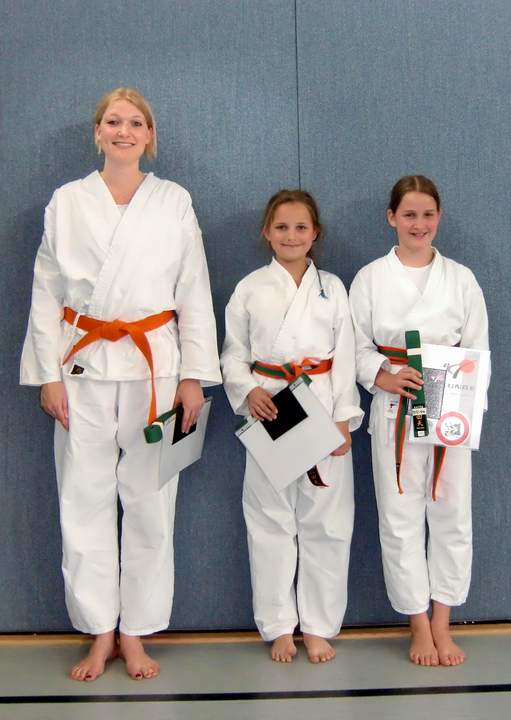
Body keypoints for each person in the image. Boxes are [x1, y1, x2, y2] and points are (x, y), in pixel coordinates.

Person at [20, 87, 221, 681]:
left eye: (136, 123)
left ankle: (135, 631)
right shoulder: (67, 201)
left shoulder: (173, 200)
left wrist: (194, 376)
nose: (124, 131)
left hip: (155, 367)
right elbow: (45, 292)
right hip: (81, 365)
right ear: (98, 132)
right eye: (114, 121)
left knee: (151, 503)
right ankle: (99, 631)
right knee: (82, 499)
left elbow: (194, 288)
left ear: (150, 135)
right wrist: (47, 375)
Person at [349, 175, 489, 667]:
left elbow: (478, 347)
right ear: (391, 218)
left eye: (428, 214)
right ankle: (418, 623)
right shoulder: (370, 278)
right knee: (399, 517)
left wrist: (464, 398)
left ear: (439, 218)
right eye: (409, 214)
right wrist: (381, 375)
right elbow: (354, 345)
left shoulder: (461, 279)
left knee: (452, 513)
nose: (419, 224)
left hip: (450, 401)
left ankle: (444, 620)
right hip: (396, 403)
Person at [221, 189, 363, 663]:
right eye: (281, 227)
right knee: (270, 521)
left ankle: (319, 625)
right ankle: (279, 625)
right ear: (267, 232)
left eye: (301, 227)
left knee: (328, 522)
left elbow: (345, 357)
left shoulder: (333, 288)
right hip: (272, 409)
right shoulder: (249, 288)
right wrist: (247, 391)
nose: (291, 236)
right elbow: (233, 354)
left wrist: (343, 419)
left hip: (321, 404)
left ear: (315, 233)